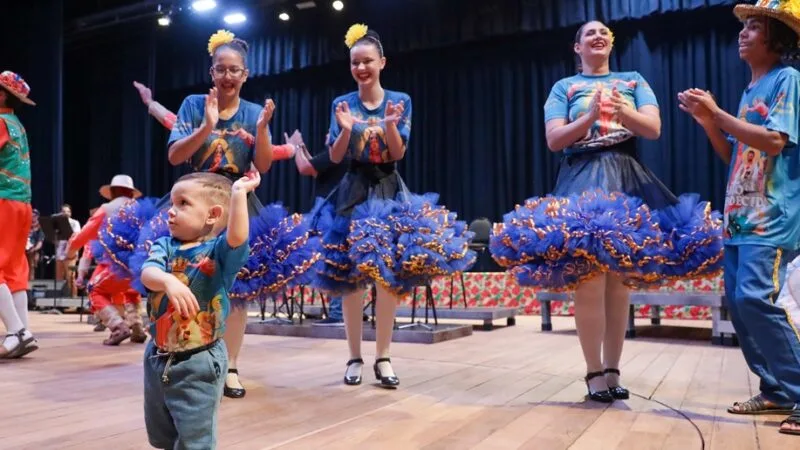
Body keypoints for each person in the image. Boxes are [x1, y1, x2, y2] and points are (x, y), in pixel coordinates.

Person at [491, 20, 723, 403]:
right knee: (589, 280)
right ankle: (593, 371)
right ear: (577, 47)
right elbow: (554, 139)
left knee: (619, 283)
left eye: (603, 33)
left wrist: (621, 110)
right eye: (589, 34)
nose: (598, 37)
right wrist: (589, 117)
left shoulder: (633, 80)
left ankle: (613, 369)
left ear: (611, 43)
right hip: (581, 178)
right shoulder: (564, 87)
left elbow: (653, 128)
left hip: (626, 177)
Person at [98, 29, 319, 399]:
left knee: (236, 288)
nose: (227, 75)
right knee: (181, 276)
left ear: (245, 74)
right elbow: (175, 156)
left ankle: (229, 366)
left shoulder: (253, 112)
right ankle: (178, 352)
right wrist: (206, 125)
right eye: (221, 69)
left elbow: (263, 164)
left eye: (235, 70)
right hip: (194, 199)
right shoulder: (193, 104)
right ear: (211, 72)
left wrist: (262, 129)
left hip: (236, 201)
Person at [310, 23, 475, 388]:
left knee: (387, 278)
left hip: (388, 188)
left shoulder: (400, 100)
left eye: (367, 61)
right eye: (355, 62)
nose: (361, 68)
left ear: (382, 62)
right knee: (351, 278)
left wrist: (388, 125)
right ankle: (354, 356)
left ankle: (383, 357)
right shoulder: (341, 104)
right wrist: (345, 129)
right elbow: (334, 157)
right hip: (352, 190)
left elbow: (397, 152)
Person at [678, 0, 800, 436]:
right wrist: (708, 123)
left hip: (771, 216)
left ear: (777, 38)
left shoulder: (788, 79)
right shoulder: (751, 90)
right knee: (741, 306)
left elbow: (773, 141)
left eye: (754, 27)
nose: (742, 34)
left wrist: (718, 114)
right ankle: (775, 389)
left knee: (754, 299)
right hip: (739, 217)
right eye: (743, 27)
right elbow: (733, 156)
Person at [141, 171, 256, 449]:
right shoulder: (164, 245)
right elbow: (148, 273)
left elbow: (237, 236)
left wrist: (239, 194)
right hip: (157, 356)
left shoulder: (219, 253)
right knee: (162, 435)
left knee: (195, 440)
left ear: (212, 215)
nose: (171, 211)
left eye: (183, 203)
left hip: (199, 361)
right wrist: (168, 280)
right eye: (172, 203)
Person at [132, 80, 298, 162]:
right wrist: (150, 102)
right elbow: (170, 119)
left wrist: (292, 148)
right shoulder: (198, 129)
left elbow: (271, 152)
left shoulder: (246, 135)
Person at [67, 175, 147, 345]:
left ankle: (118, 326)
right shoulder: (141, 210)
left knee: (95, 290)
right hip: (140, 266)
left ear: (113, 192)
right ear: (131, 193)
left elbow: (85, 235)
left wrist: (71, 247)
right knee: (131, 291)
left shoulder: (107, 209)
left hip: (117, 265)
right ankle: (137, 326)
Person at [0, 70, 38, 359]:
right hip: (21, 203)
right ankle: (22, 331)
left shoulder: (0, 121)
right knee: (14, 269)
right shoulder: (18, 126)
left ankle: (16, 331)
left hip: (3, 199)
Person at [293, 132, 347, 327]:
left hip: (331, 214)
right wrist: (302, 147)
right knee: (334, 260)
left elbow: (305, 167)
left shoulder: (336, 153)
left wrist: (295, 147)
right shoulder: (340, 155)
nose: (326, 134)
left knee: (333, 261)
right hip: (336, 212)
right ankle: (341, 312)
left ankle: (338, 313)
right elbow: (315, 167)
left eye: (331, 132)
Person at [55, 203, 81, 296]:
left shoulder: (75, 223)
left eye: (68, 211)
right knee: (59, 278)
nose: (66, 213)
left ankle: (73, 298)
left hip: (70, 253)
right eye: (63, 211)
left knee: (70, 277)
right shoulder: (57, 224)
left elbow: (77, 236)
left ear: (70, 213)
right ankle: (59, 298)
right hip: (59, 253)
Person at [26, 209, 44, 280]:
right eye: (32, 216)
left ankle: (30, 281)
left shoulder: (40, 228)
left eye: (35, 216)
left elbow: (40, 243)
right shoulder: (26, 226)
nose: (33, 217)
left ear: (38, 217)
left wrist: (33, 249)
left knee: (31, 261)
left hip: (34, 250)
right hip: (24, 250)